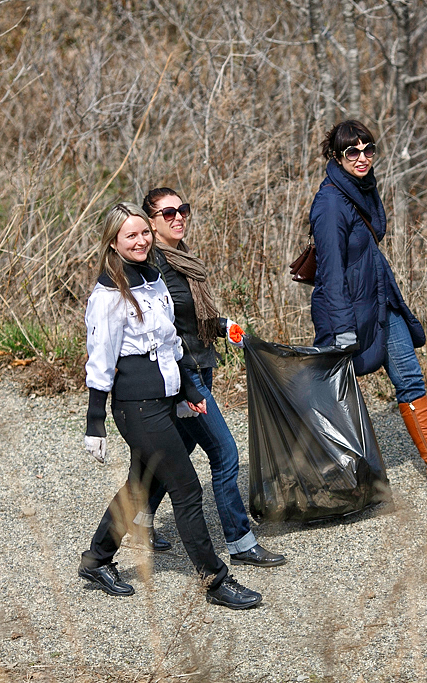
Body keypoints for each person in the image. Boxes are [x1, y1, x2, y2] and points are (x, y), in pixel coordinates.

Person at [78, 202, 262, 609]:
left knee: (139, 486)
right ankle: (214, 580)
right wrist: (95, 422)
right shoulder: (108, 294)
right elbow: (100, 362)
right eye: (132, 235)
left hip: (165, 397)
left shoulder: (153, 277)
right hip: (137, 407)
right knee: (187, 488)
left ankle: (97, 558)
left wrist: (187, 393)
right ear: (113, 242)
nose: (142, 240)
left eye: (144, 233)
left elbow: (170, 343)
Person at [308, 120, 427, 487]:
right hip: (349, 313)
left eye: (368, 149)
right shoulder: (329, 203)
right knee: (335, 392)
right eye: (352, 152)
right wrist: (341, 328)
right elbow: (331, 273)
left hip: (382, 301)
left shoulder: (362, 190)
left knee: (411, 379)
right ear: (336, 157)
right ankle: (325, 475)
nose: (362, 157)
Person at [140, 187, 286, 568]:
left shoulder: (182, 258)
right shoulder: (156, 267)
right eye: (168, 213)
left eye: (182, 210)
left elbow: (190, 318)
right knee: (224, 454)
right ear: (151, 223)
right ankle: (240, 542)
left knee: (182, 447)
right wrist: (186, 381)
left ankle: (139, 518)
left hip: (202, 362)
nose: (178, 217)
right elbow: (163, 330)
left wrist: (223, 326)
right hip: (186, 374)